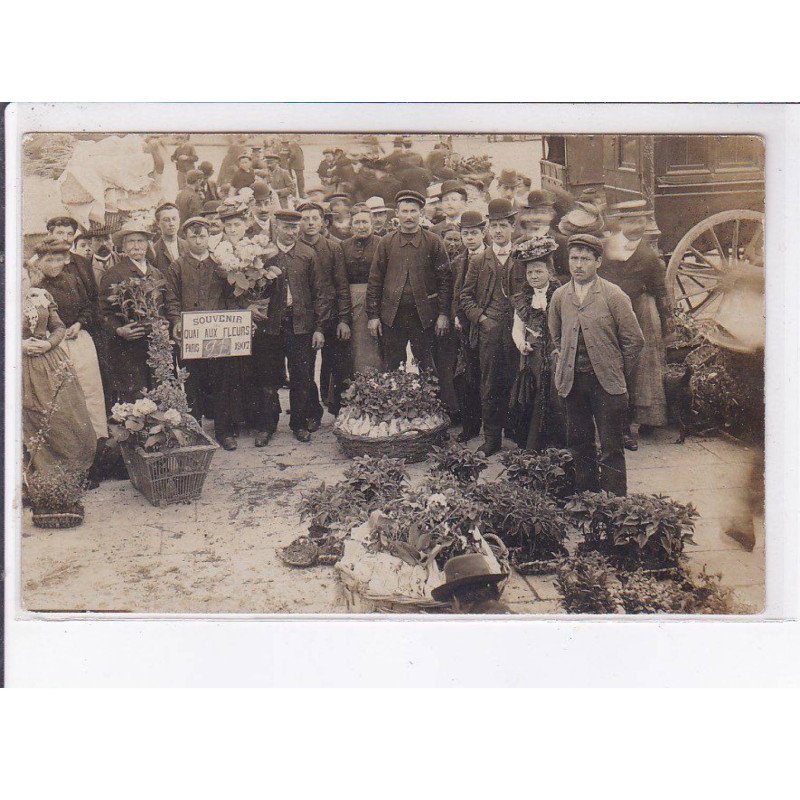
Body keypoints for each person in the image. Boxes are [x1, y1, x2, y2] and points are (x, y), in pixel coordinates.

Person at [548, 234, 644, 496]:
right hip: (573, 382)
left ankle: (613, 504)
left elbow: (634, 340)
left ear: (598, 262)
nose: (578, 265)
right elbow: (557, 335)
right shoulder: (559, 297)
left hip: (606, 383)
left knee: (611, 446)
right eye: (574, 258)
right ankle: (586, 500)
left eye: (585, 259)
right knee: (580, 444)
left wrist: (614, 368)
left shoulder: (613, 296)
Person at [163, 216, 242, 448]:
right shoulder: (177, 266)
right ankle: (194, 430)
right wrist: (176, 321)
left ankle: (224, 431)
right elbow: (171, 298)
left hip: (217, 332)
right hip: (191, 335)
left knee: (222, 381)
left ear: (209, 237)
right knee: (192, 382)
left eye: (202, 235)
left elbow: (232, 297)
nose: (198, 240)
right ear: (186, 239)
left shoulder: (220, 265)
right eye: (193, 236)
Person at [600, 200, 673, 450]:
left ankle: (633, 426)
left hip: (640, 314)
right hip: (609, 312)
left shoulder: (648, 255)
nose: (637, 226)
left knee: (638, 368)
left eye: (641, 220)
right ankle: (612, 425)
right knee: (611, 365)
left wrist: (666, 322)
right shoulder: (607, 248)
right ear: (620, 223)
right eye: (631, 220)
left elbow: (660, 289)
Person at [23, 242, 96, 475]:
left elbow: (57, 326)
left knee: (67, 414)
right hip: (21, 364)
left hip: (49, 358)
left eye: (23, 276)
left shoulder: (40, 295)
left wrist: (47, 343)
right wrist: (19, 345)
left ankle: (68, 471)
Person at [460, 198, 520, 456]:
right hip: (491, 332)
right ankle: (492, 439)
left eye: (503, 225)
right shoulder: (479, 260)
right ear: (488, 229)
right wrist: (482, 320)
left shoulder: (522, 256)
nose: (498, 231)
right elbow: (465, 297)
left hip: (519, 330)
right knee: (490, 383)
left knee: (520, 382)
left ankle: (520, 435)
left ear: (512, 227)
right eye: (494, 226)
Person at [366, 189, 451, 372]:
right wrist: (373, 316)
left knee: (427, 366)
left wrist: (443, 314)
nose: (409, 216)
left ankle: (430, 401)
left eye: (413, 211)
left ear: (420, 213)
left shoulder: (433, 242)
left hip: (425, 316)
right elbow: (375, 281)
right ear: (396, 213)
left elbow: (445, 281)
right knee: (392, 366)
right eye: (404, 211)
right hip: (392, 315)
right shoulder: (386, 242)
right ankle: (395, 401)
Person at [268, 209, 334, 442]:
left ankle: (299, 423)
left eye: (294, 227)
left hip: (302, 326)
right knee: (268, 376)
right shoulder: (265, 254)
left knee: (302, 375)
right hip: (272, 325)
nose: (291, 232)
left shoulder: (307, 254)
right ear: (276, 226)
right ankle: (266, 426)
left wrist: (319, 328)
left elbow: (321, 294)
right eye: (286, 227)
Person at [98, 221, 168, 403]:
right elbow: (103, 312)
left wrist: (164, 325)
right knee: (135, 396)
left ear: (147, 244)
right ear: (123, 246)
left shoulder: (156, 274)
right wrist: (119, 330)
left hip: (154, 344)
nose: (136, 246)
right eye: (131, 242)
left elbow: (164, 306)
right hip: (128, 346)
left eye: (140, 241)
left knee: (157, 391)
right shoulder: (114, 274)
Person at [507, 237, 564, 450]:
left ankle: (557, 444)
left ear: (549, 272)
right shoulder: (523, 299)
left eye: (538, 271)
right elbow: (517, 328)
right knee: (533, 395)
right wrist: (521, 344)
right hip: (532, 357)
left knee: (556, 395)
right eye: (530, 272)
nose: (534, 276)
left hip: (555, 354)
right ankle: (533, 444)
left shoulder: (560, 295)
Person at [298, 201, 352, 422]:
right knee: (305, 366)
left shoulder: (333, 248)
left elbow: (342, 285)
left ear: (323, 222)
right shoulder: (295, 248)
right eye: (305, 218)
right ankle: (312, 412)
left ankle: (338, 410)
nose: (310, 223)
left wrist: (344, 319)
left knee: (336, 364)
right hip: (305, 318)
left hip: (331, 316)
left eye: (315, 218)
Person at [451, 210, 486, 443]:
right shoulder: (459, 260)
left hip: (487, 321)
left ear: (483, 233)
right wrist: (456, 314)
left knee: (491, 375)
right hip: (465, 324)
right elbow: (456, 292)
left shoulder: (492, 256)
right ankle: (471, 425)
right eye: (466, 233)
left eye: (474, 233)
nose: (470, 238)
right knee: (468, 375)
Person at [341, 204, 383, 373]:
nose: (361, 226)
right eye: (357, 222)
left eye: (365, 222)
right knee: (354, 345)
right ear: (351, 226)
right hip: (350, 299)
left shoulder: (381, 243)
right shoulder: (343, 246)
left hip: (376, 299)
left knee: (373, 345)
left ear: (372, 224)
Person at [516, 190, 569, 281]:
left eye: (542, 212)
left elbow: (569, 277)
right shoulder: (520, 243)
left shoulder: (562, 242)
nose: (537, 217)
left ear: (551, 215)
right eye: (533, 212)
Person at [151, 202, 188, 272]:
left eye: (174, 219)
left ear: (179, 220)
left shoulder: (189, 246)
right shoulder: (154, 251)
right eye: (166, 220)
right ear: (157, 223)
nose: (171, 223)